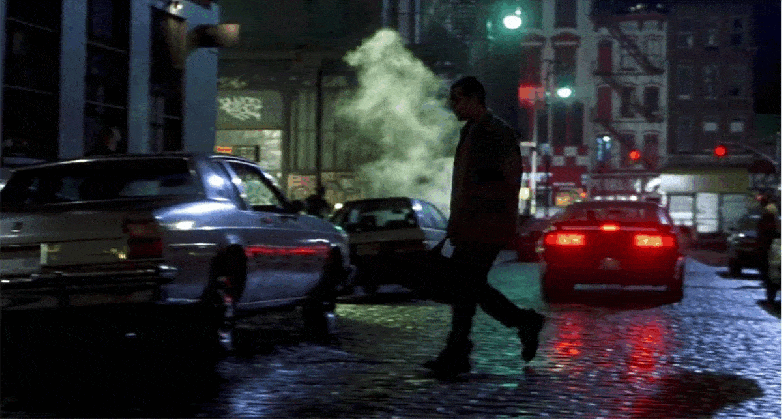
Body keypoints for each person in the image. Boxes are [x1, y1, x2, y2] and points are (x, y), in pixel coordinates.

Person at [422, 76, 545, 378]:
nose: (453, 105)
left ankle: (465, 348)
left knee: (466, 286)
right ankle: (463, 349)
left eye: (457, 99)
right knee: (466, 288)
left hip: (485, 225)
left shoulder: (494, 132)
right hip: (473, 224)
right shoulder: (474, 131)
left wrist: (476, 216)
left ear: (474, 98)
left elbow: (502, 182)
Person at [756, 194, 780, 303]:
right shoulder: (771, 212)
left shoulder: (769, 212)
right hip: (769, 246)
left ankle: (770, 292)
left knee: (769, 271)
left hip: (769, 246)